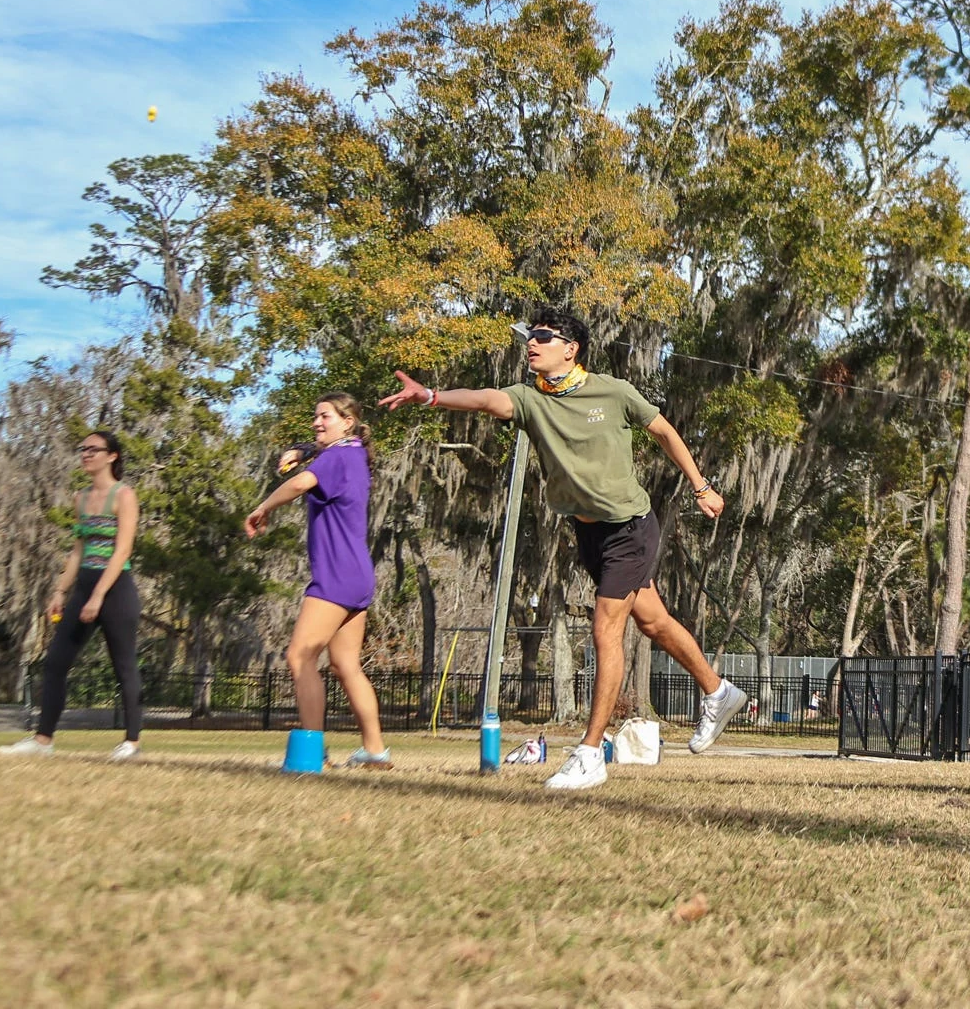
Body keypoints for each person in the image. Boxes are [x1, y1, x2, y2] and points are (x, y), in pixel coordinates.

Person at [379, 307, 745, 791]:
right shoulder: (529, 398)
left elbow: (663, 431)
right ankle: (718, 691)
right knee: (653, 621)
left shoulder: (613, 392)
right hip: (588, 533)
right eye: (530, 337)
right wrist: (431, 396)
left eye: (543, 337)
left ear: (571, 349)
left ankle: (590, 753)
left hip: (631, 528)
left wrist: (701, 487)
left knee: (605, 631)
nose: (532, 343)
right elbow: (485, 399)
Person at [244, 393, 390, 769]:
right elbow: (317, 455)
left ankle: (311, 752)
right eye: (315, 416)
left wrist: (263, 507)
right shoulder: (353, 454)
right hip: (357, 575)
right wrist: (301, 449)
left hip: (336, 575)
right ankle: (375, 752)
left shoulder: (337, 457)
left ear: (348, 422)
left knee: (300, 656)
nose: (316, 422)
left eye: (325, 416)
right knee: (345, 665)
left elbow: (300, 484)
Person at [0, 431, 144, 761]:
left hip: (116, 591)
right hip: (84, 589)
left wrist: (99, 596)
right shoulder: (81, 498)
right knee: (55, 663)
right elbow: (79, 550)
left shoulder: (124, 496)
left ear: (112, 456)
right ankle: (43, 741)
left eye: (94, 449)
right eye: (83, 449)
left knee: (124, 665)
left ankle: (132, 743)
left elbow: (122, 551)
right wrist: (60, 591)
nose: (86, 454)